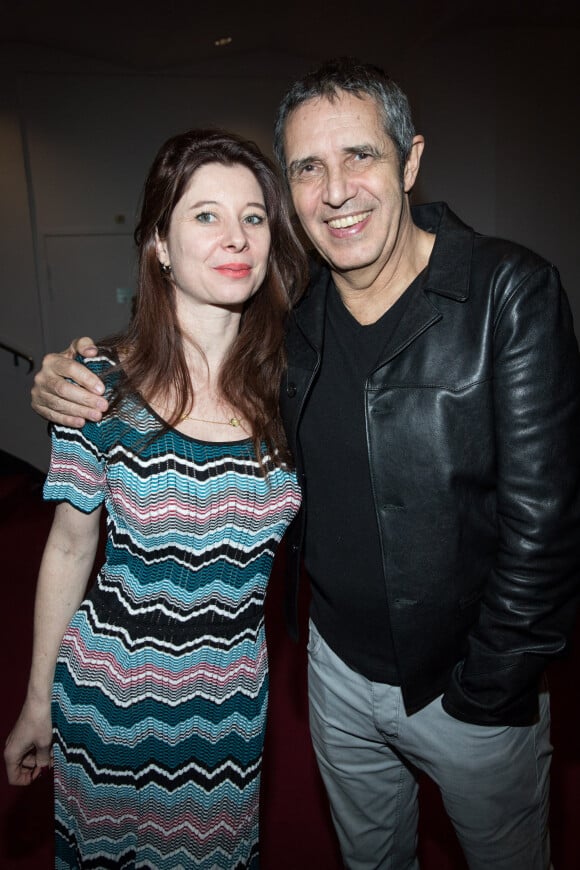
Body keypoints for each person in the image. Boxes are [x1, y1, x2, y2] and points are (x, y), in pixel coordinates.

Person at [27, 58, 580, 870]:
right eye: (307, 169)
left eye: (360, 156)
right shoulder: (294, 330)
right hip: (327, 683)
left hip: (469, 692)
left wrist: (485, 692)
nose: (336, 190)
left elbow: (549, 528)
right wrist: (60, 376)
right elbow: (131, 442)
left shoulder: (506, 294)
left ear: (411, 161)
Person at [4, 128, 306, 869]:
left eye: (254, 216)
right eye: (205, 215)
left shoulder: (294, 388)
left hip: (233, 708)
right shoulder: (100, 388)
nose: (235, 235)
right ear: (160, 245)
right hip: (112, 701)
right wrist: (38, 700)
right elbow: (70, 547)